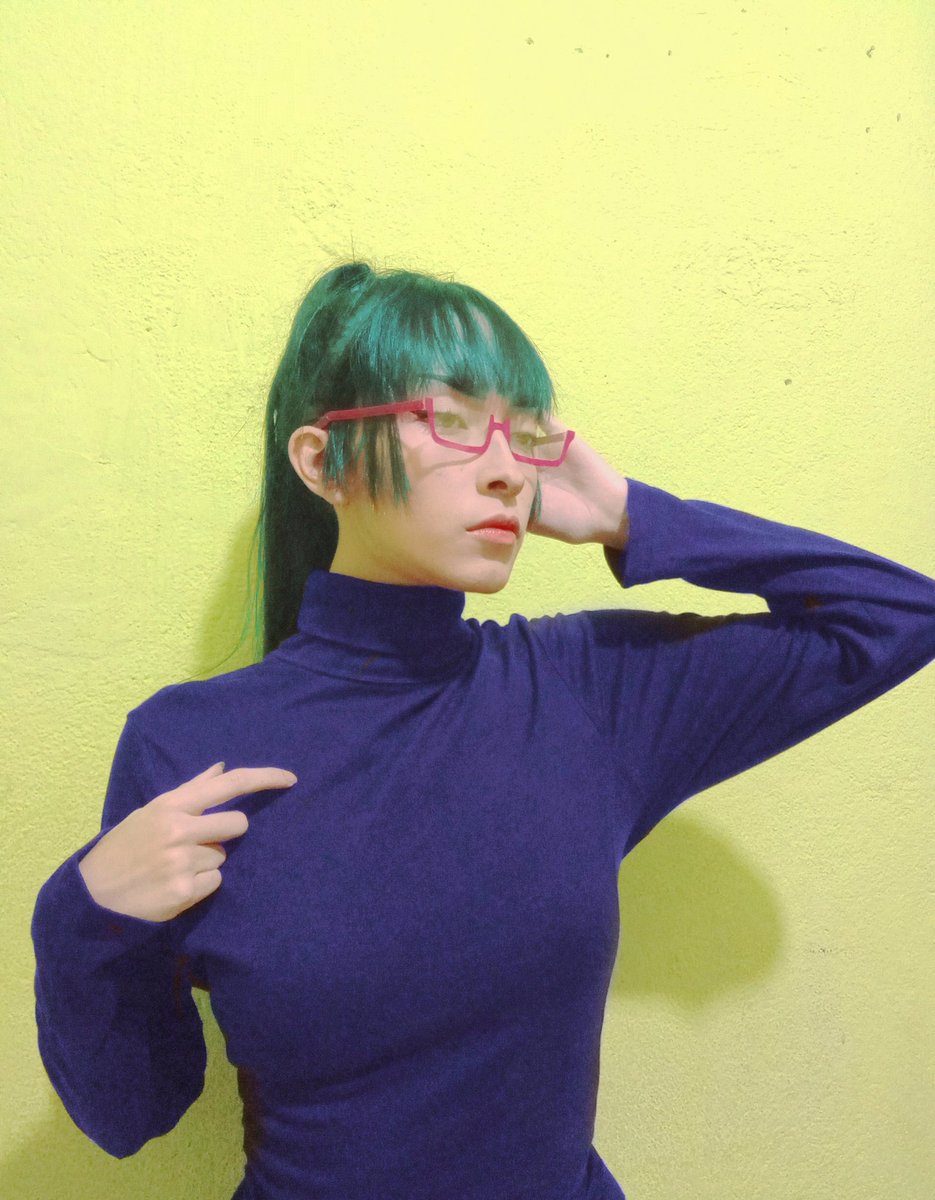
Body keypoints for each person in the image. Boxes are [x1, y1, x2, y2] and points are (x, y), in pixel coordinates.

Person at [31, 261, 935, 1200]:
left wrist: (631, 517)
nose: (506, 469)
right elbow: (131, 1115)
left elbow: (896, 617)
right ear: (323, 462)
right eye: (451, 420)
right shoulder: (189, 745)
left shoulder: (587, 693)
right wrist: (84, 920)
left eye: (524, 433)